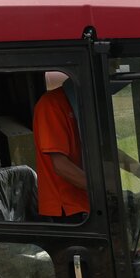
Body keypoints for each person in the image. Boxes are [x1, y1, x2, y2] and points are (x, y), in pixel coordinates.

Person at [33, 71, 89, 222]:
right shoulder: (51, 105)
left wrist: (137, 168)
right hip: (66, 207)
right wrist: (105, 190)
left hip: (85, 198)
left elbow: (102, 148)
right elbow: (60, 166)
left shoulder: (83, 105)